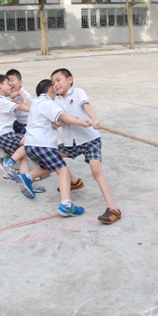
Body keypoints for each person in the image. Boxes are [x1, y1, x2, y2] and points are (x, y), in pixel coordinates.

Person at [51, 68, 122, 225]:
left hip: (90, 139)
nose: (55, 84)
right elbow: (56, 121)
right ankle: (74, 181)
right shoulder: (56, 101)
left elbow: (87, 106)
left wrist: (95, 120)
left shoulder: (78, 92)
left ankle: (113, 209)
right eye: (53, 82)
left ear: (69, 79)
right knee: (51, 156)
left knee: (96, 171)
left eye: (58, 80)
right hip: (71, 142)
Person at [13, 79, 92, 217]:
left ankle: (27, 177)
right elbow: (62, 115)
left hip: (30, 145)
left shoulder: (36, 103)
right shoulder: (49, 103)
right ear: (51, 89)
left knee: (47, 166)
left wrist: (70, 121)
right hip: (43, 144)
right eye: (55, 88)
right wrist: (80, 122)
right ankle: (66, 205)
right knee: (63, 171)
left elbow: (54, 124)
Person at [6, 69, 32, 135]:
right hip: (18, 121)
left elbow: (30, 105)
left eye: (12, 80)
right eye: (8, 81)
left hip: (26, 123)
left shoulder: (26, 95)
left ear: (20, 82)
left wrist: (22, 101)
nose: (10, 83)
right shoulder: (10, 94)